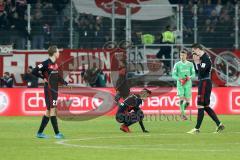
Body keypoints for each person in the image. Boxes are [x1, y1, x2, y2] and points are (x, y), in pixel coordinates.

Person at [187, 43, 225, 134]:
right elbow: (198, 72)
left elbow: (202, 72)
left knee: (200, 105)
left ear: (198, 49)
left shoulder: (205, 58)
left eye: (194, 51)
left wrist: (197, 63)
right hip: (203, 82)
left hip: (204, 82)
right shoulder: (202, 59)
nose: (193, 53)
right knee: (206, 106)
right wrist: (197, 63)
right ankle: (219, 124)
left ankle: (197, 128)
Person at [32, 45, 68, 139]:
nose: (59, 53)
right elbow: (34, 71)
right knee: (53, 110)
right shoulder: (44, 63)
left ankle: (39, 133)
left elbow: (57, 75)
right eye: (58, 51)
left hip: (54, 90)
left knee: (48, 111)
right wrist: (43, 78)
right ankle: (57, 133)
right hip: (49, 90)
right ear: (54, 53)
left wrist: (64, 82)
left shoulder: (55, 64)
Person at [172, 50, 195, 120]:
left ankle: (182, 111)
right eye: (181, 55)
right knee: (181, 99)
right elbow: (173, 75)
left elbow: (194, 74)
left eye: (183, 55)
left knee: (188, 102)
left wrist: (189, 77)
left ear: (186, 55)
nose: (182, 57)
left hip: (188, 84)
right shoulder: (177, 64)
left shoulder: (190, 64)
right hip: (180, 84)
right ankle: (182, 115)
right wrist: (179, 79)